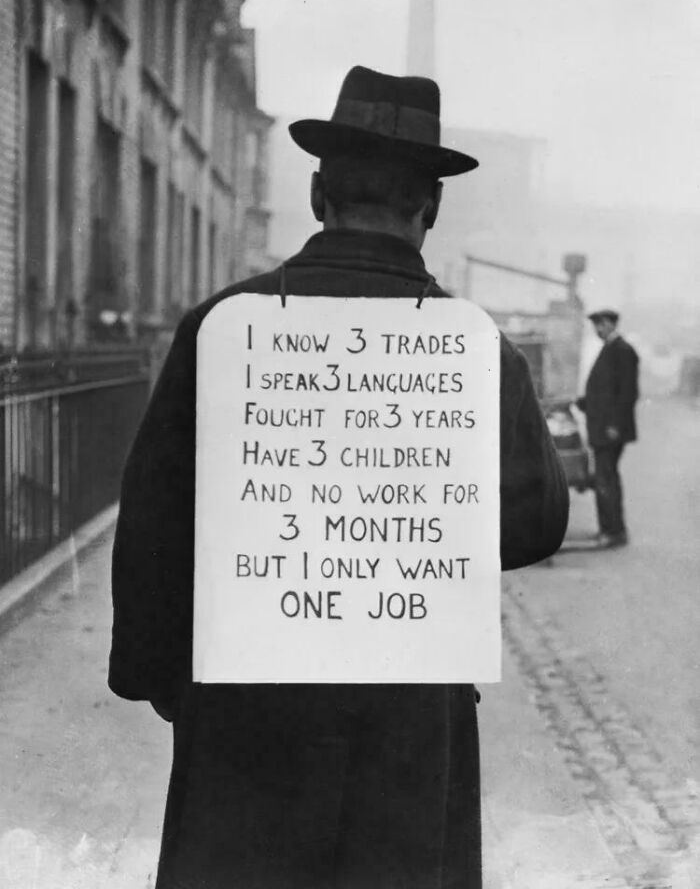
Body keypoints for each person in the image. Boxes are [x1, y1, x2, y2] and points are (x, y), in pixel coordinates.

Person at [109, 66, 569, 889]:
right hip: (409, 715)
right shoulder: (473, 348)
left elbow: (152, 519)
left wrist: (170, 680)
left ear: (320, 194)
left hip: (245, 706)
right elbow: (535, 524)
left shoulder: (224, 328)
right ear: (431, 208)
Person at [577, 309, 639, 547]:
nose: (597, 330)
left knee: (606, 479)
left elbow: (627, 394)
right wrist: (581, 403)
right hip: (603, 427)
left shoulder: (622, 351)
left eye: (600, 326)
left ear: (610, 324)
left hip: (609, 430)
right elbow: (603, 390)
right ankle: (611, 529)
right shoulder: (612, 349)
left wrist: (614, 424)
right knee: (605, 478)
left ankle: (613, 533)